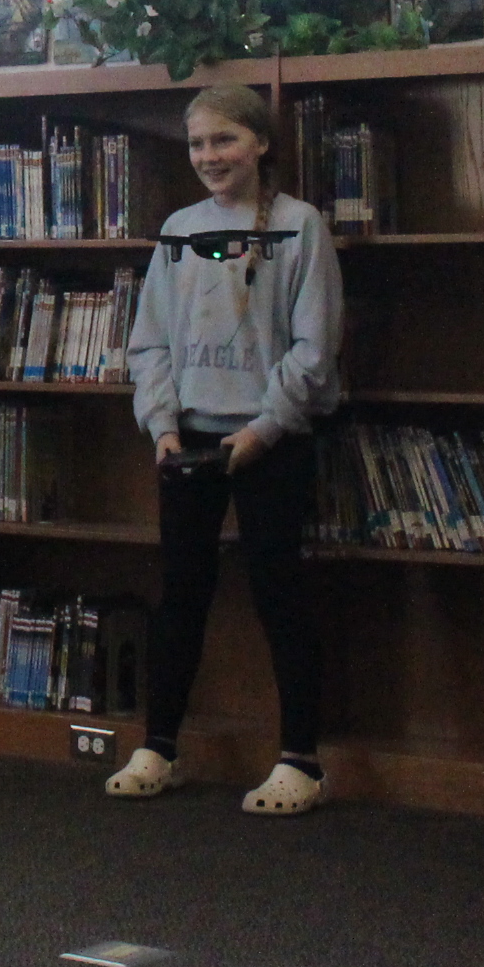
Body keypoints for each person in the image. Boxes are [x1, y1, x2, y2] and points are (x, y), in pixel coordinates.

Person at [108, 82, 344, 815]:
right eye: (199, 144)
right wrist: (162, 423)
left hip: (270, 440)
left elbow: (315, 348)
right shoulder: (179, 227)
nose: (210, 156)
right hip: (189, 441)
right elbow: (148, 339)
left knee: (280, 594)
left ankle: (301, 759)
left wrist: (263, 428)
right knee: (180, 594)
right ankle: (160, 746)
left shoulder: (301, 228)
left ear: (260, 143)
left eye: (224, 141)